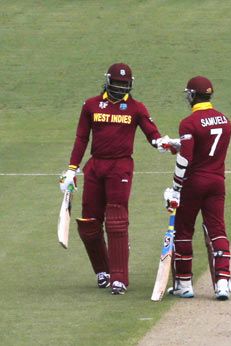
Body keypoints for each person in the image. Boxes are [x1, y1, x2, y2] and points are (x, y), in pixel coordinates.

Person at [59, 63, 176, 295]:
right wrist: (72, 169)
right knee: (89, 224)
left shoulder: (136, 108)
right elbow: (81, 138)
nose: (120, 88)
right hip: (95, 166)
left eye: (125, 85)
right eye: (117, 83)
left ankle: (119, 278)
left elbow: (153, 136)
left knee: (116, 220)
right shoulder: (91, 105)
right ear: (107, 82)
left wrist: (165, 143)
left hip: (120, 167)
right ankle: (102, 271)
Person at [163, 76, 231, 300]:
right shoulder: (225, 120)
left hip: (193, 184)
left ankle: (184, 284)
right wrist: (177, 142)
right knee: (217, 231)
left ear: (192, 95)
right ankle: (222, 282)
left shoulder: (189, 123)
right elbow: (206, 146)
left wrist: (175, 187)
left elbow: (186, 158)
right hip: (217, 182)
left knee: (184, 231)